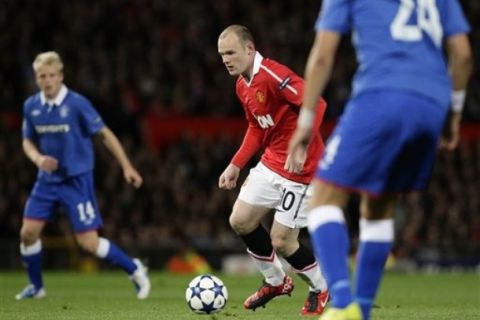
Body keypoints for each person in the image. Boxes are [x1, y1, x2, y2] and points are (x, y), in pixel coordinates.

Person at [288, 1, 472, 319]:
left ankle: (343, 304)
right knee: (379, 204)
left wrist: (305, 122)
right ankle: (362, 310)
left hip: (381, 95)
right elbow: (463, 54)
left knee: (323, 198)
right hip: (431, 105)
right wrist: (453, 112)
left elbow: (322, 55)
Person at [16, 51, 151, 300]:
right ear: (36, 79)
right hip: (46, 181)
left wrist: (127, 166)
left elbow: (105, 135)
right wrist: (38, 159)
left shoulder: (77, 104)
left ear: (61, 76)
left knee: (88, 243)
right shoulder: (31, 106)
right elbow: (27, 141)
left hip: (76, 181)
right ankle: (37, 287)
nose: (47, 81)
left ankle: (134, 268)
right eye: (42, 76)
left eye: (51, 75)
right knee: (28, 233)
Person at [217, 25, 330, 316]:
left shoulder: (274, 75)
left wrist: (301, 144)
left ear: (249, 49)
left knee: (282, 240)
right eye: (221, 55)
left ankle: (322, 288)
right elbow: (257, 126)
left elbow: (316, 104)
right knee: (241, 220)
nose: (226, 59)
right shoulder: (242, 84)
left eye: (231, 52)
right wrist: (236, 164)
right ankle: (276, 282)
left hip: (301, 169)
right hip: (272, 163)